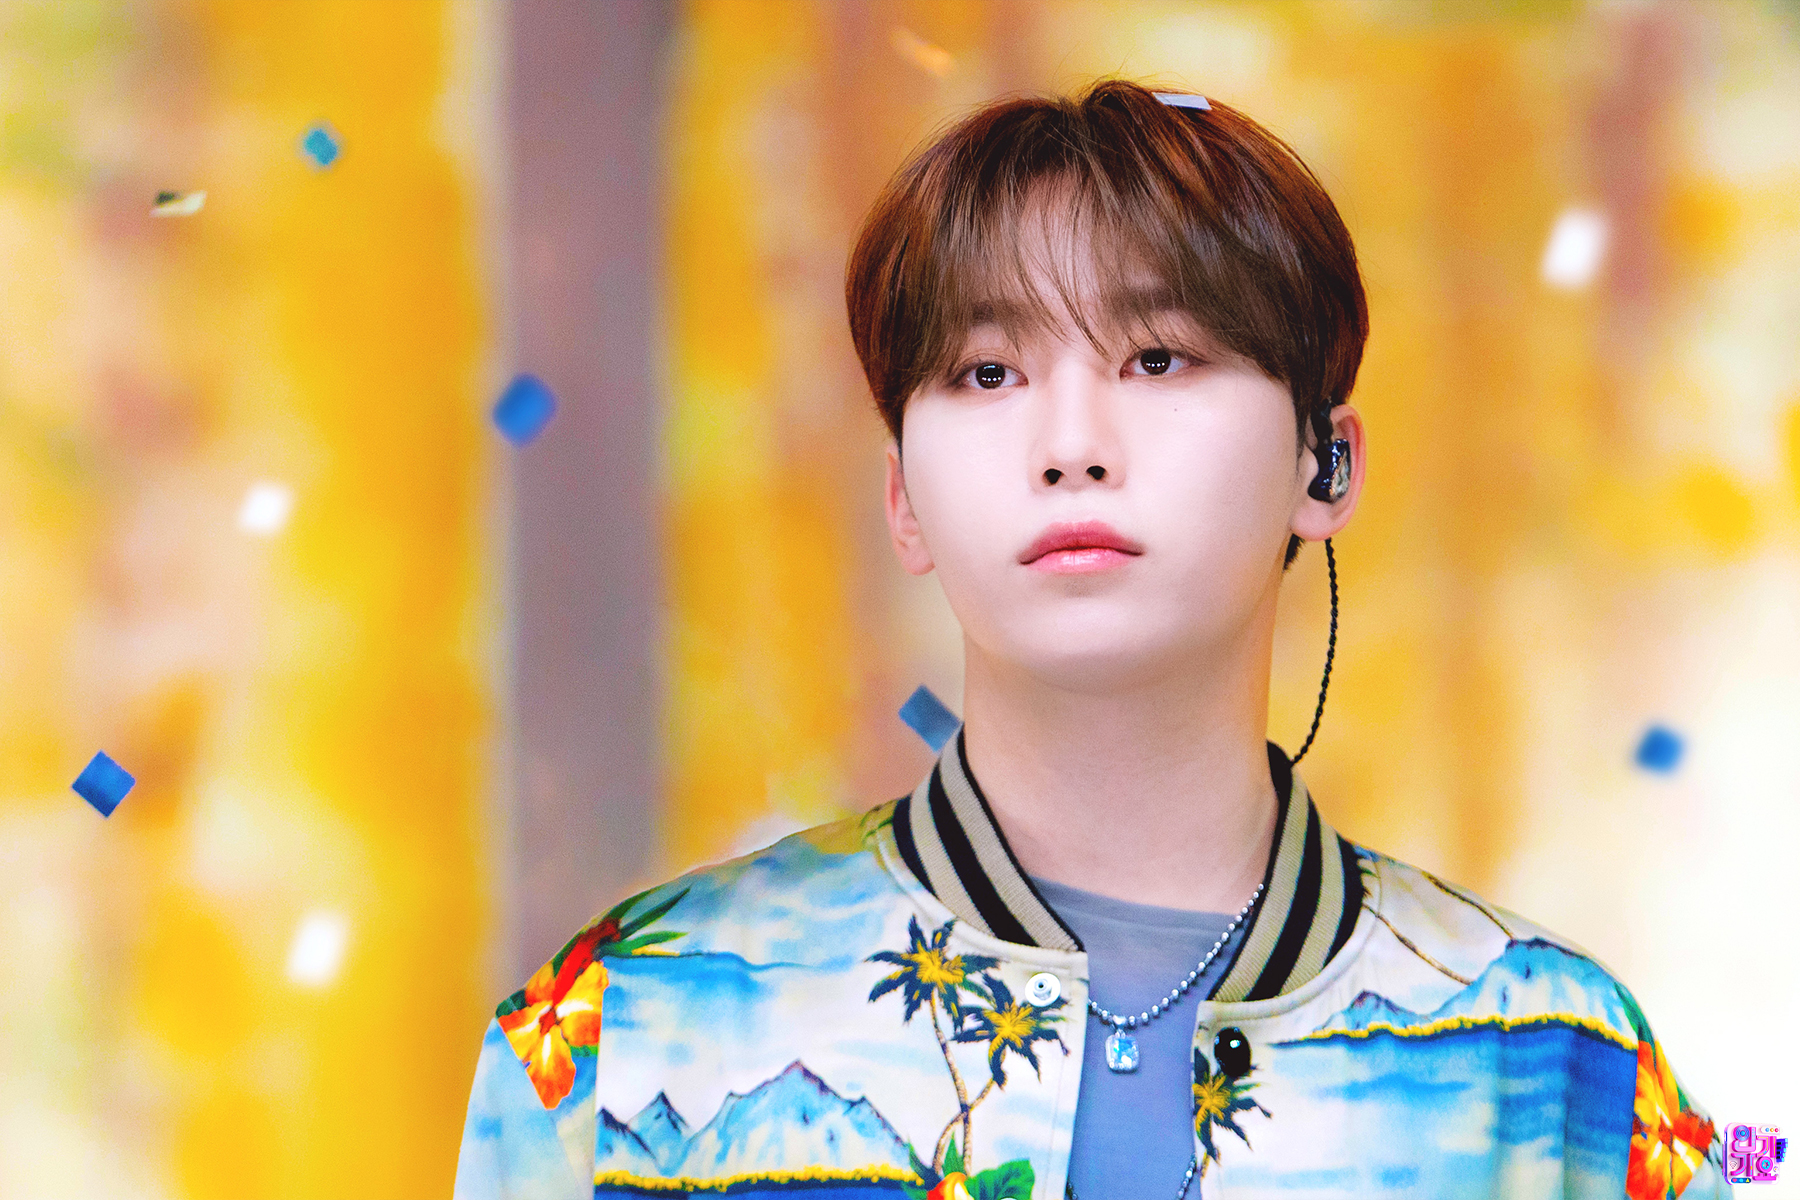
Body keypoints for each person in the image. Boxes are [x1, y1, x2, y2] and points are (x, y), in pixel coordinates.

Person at [455, 79, 1729, 1200]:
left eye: (1159, 358)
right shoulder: (622, 1031)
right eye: (987, 373)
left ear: (1325, 462)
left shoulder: (1556, 1060)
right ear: (903, 498)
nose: (1071, 445)